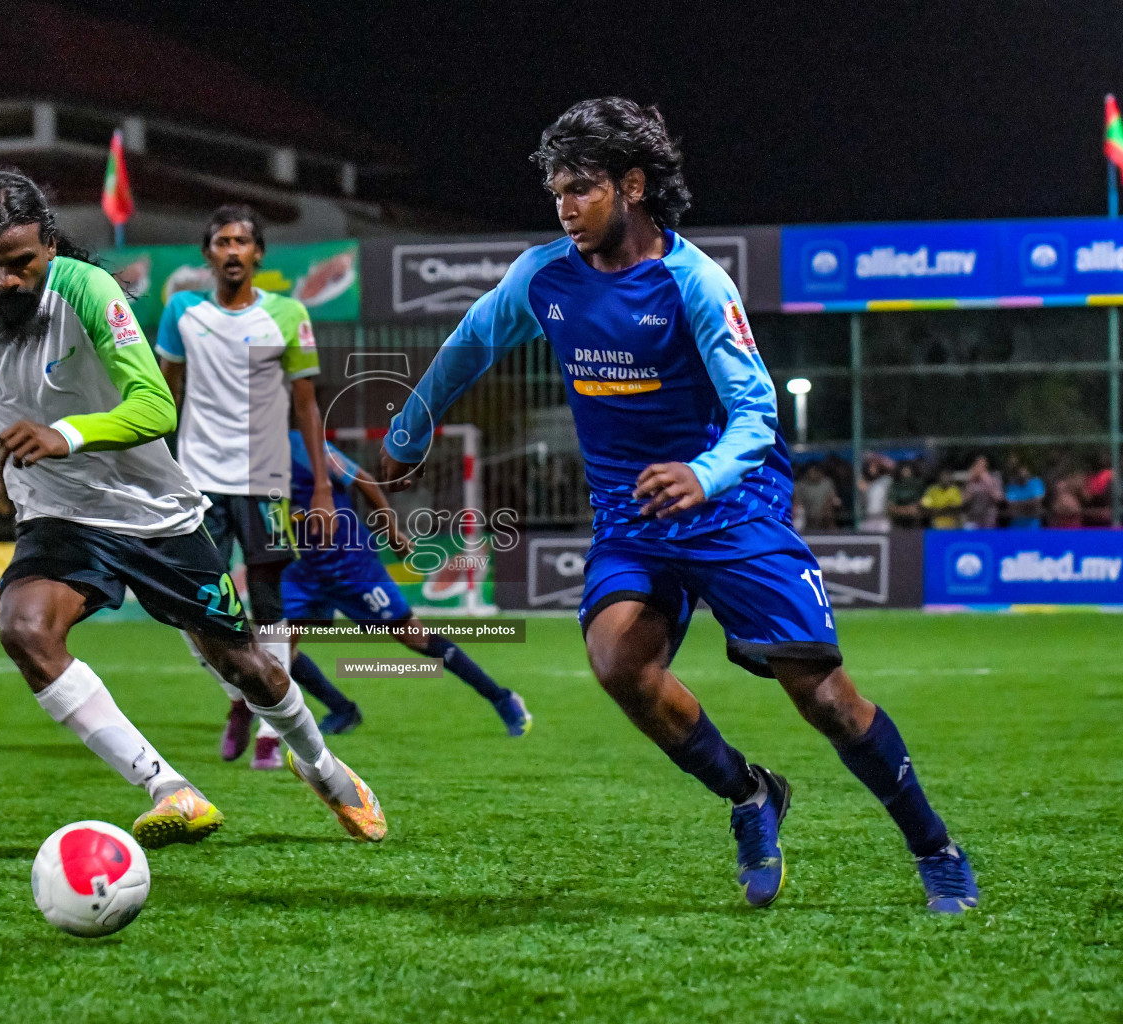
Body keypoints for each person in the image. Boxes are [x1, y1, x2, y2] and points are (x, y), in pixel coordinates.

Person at [378, 98, 975, 912]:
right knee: (618, 662)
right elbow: (467, 347)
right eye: (556, 190)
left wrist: (703, 472)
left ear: (632, 185)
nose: (565, 207)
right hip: (633, 516)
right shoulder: (544, 275)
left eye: (582, 188)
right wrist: (409, 434)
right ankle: (750, 795)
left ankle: (935, 847)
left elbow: (756, 410)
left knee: (824, 699)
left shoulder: (694, 281)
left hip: (731, 506)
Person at [0, 169, 384, 846]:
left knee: (248, 668)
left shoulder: (87, 290)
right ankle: (169, 788)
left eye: (23, 264)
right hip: (56, 516)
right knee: (24, 629)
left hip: (154, 513)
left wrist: (64, 435)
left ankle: (323, 767)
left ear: (51, 248)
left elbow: (156, 406)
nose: (8, 281)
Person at [155, 204, 338, 770]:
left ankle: (268, 727)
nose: (232, 251)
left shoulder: (286, 314)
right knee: (189, 602)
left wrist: (324, 489)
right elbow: (164, 395)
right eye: (221, 241)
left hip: (265, 476)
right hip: (197, 480)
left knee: (268, 603)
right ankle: (239, 693)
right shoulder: (181, 312)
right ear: (207, 253)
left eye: (242, 242)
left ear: (258, 254)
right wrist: (151, 470)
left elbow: (307, 405)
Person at [282, 428, 533, 736]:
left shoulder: (302, 445)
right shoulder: (242, 462)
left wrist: (391, 532)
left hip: (352, 566)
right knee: (279, 650)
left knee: (415, 637)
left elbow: (364, 479)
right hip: (302, 570)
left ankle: (502, 698)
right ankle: (342, 710)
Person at [793, 463, 839, 532]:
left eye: (814, 471)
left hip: (824, 515)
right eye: (810, 472)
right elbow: (798, 502)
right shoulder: (800, 485)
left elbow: (832, 498)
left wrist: (823, 511)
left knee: (830, 509)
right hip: (807, 515)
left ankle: (833, 532)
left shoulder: (827, 483)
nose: (812, 474)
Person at [961, 456, 1003, 529]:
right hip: (973, 520)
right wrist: (969, 482)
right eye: (977, 465)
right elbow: (964, 501)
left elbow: (999, 499)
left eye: (982, 466)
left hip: (990, 520)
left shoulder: (994, 480)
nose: (979, 468)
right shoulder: (972, 482)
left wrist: (987, 483)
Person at [1003, 461, 1045, 528]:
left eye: (1024, 469)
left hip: (1033, 526)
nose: (1022, 472)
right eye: (1019, 469)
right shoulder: (1011, 486)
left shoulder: (1036, 482)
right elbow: (1010, 506)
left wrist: (1018, 505)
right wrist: (1029, 503)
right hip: (1014, 527)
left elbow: (1037, 502)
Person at [857, 455, 893, 533]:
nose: (872, 469)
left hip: (882, 519)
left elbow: (893, 467)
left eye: (875, 466)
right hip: (867, 519)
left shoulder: (885, 480)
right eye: (871, 466)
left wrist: (877, 458)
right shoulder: (862, 482)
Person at [886, 462, 925, 529]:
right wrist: (905, 510)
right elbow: (890, 506)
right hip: (898, 521)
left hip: (915, 523)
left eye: (908, 470)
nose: (906, 472)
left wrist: (915, 509)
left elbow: (922, 503)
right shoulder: (895, 486)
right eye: (904, 470)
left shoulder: (918, 484)